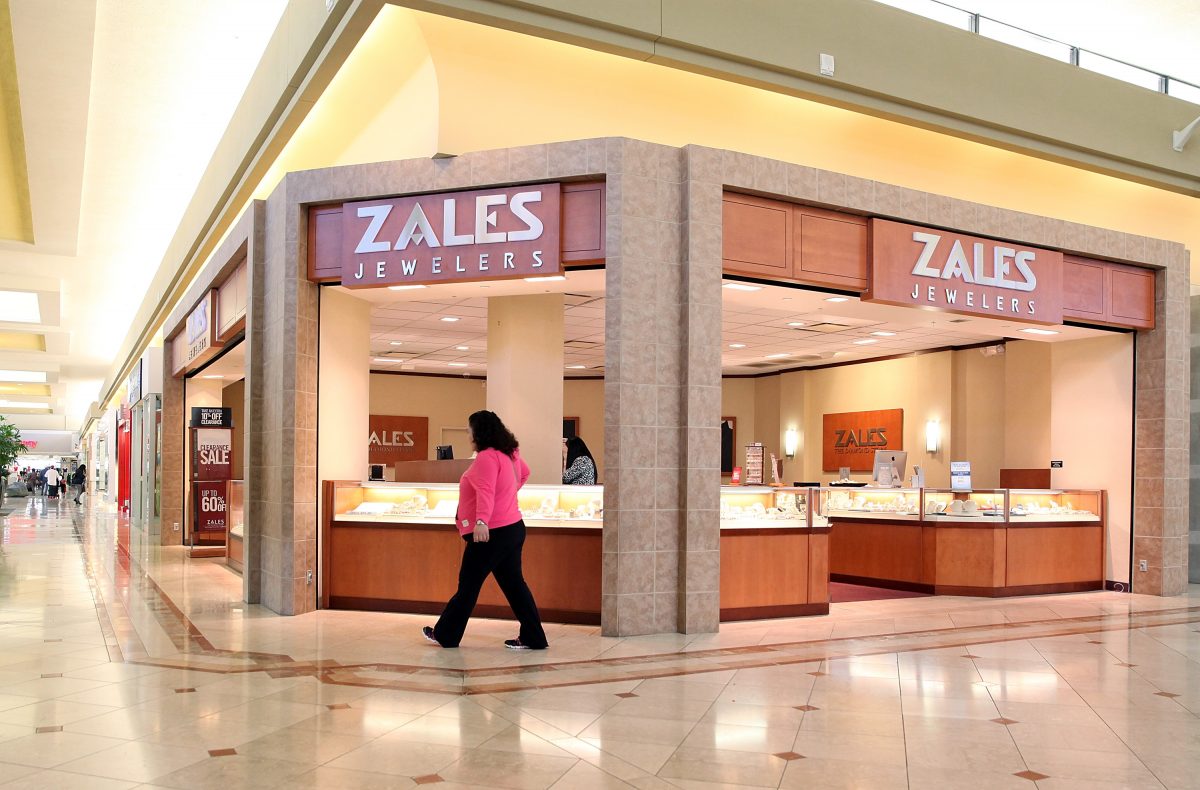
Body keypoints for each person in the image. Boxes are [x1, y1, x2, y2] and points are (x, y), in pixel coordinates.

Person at [423, 410, 548, 650]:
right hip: (512, 528)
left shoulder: (487, 457)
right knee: (515, 585)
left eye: (469, 430)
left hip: (492, 533)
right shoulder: (508, 454)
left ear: (479, 432)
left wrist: (481, 521)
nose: (468, 434)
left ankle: (446, 634)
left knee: (468, 585)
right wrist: (507, 496)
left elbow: (486, 491)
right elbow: (524, 473)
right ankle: (534, 637)